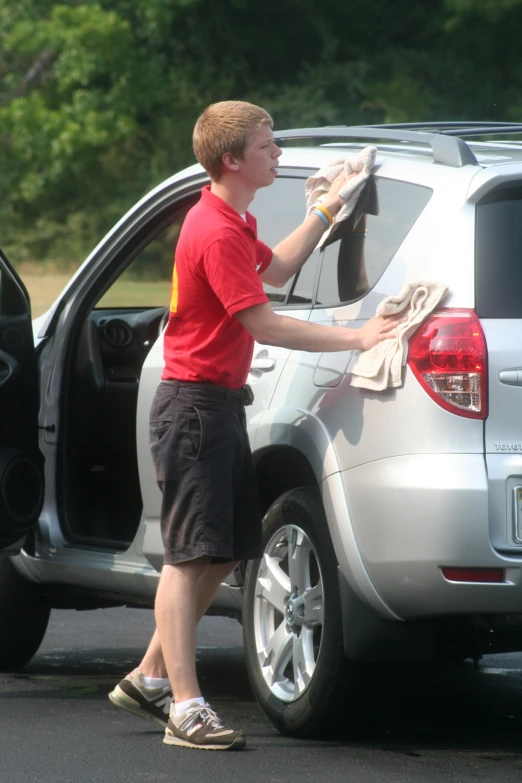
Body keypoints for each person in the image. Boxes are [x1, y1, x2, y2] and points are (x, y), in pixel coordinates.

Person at [109, 100, 400, 751]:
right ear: (231, 159)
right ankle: (185, 707)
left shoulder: (233, 219)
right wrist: (357, 335)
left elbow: (276, 269)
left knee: (223, 548)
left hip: (215, 404)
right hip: (192, 408)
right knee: (187, 561)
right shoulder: (212, 229)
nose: (277, 154)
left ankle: (148, 677)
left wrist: (325, 212)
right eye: (267, 146)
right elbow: (262, 321)